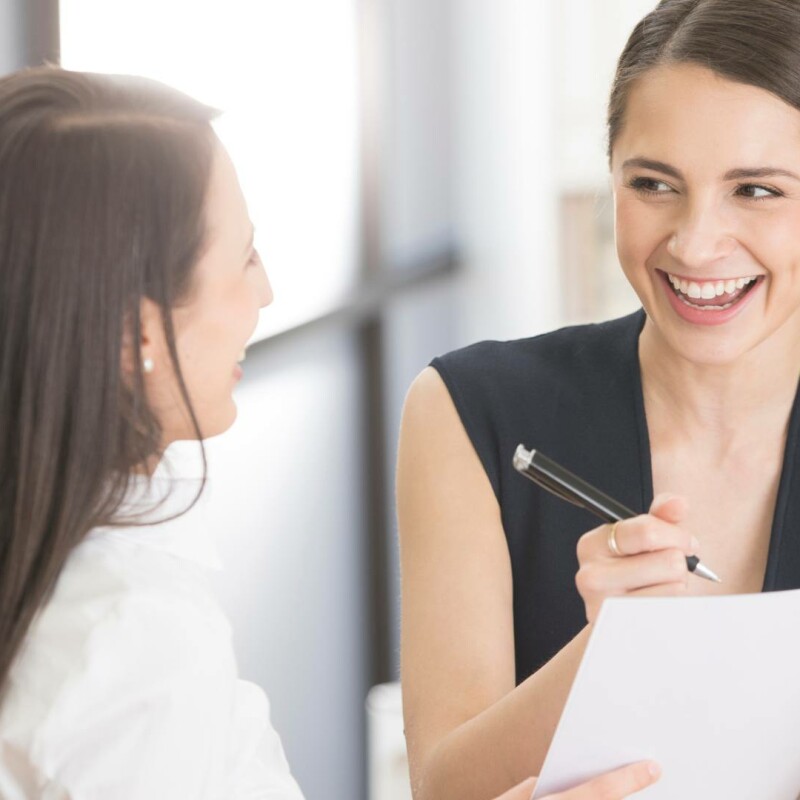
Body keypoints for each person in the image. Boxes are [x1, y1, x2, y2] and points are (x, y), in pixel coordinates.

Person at [0, 66, 659, 799]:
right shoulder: (129, 637)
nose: (266, 292)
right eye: (244, 257)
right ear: (137, 330)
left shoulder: (76, 584)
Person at [397, 0, 800, 797]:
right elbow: (444, 790)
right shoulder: (470, 412)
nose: (694, 243)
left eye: (755, 190)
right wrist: (612, 649)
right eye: (654, 183)